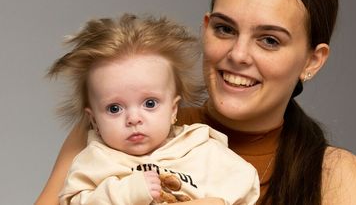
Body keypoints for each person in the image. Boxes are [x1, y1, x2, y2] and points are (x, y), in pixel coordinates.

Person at [36, 0, 356, 205]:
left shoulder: (335, 173)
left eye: (270, 40)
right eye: (225, 29)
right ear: (205, 27)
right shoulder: (109, 133)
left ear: (312, 60)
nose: (238, 55)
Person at [47, 14, 259, 205]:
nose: (133, 119)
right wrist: (128, 193)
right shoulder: (95, 161)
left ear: (174, 109)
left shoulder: (200, 147)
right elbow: (75, 201)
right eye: (114, 108)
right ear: (93, 120)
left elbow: (244, 183)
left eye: (149, 104)